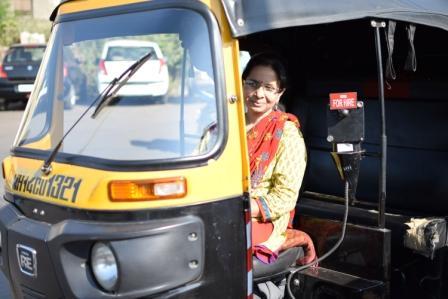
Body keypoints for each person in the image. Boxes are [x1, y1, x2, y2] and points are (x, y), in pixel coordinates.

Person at [242, 53, 316, 268]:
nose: (258, 94)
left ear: (279, 93)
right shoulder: (226, 126)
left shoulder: (287, 133)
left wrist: (245, 207)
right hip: (222, 208)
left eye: (269, 88)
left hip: (263, 219)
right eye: (252, 84)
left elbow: (285, 197)